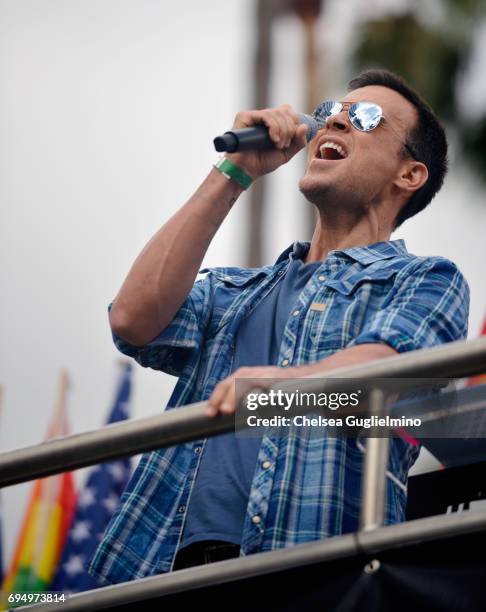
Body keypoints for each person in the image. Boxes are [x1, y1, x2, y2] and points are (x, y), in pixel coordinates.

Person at [87, 69, 469, 585]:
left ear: (409, 175)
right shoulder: (235, 292)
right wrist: (235, 168)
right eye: (335, 108)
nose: (335, 119)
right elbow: (134, 319)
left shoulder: (426, 279)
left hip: (309, 580)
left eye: (366, 117)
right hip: (153, 575)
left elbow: (389, 370)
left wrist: (284, 389)